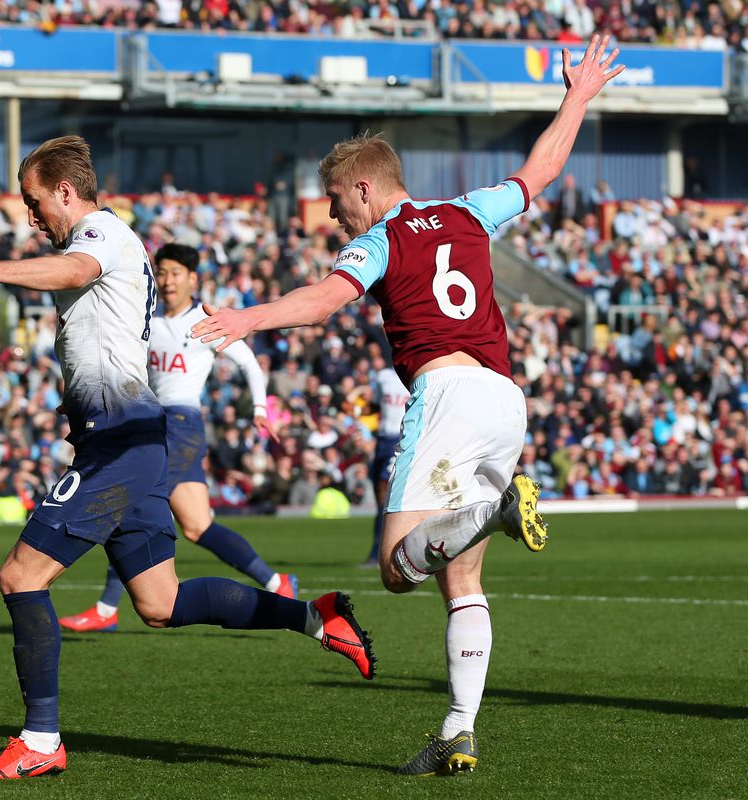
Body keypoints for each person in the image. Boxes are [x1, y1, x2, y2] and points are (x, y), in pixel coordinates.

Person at [193, 35, 623, 777]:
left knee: (397, 568)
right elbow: (539, 171)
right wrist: (578, 97)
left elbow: (325, 301)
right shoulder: (467, 212)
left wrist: (243, 320)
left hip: (448, 393)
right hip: (503, 400)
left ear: (364, 188)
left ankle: (491, 514)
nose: (334, 218)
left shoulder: (385, 237)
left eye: (334, 203)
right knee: (462, 578)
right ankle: (459, 730)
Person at [0, 135, 376, 781]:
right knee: (160, 602)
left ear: (64, 191)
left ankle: (40, 738)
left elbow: (74, 272)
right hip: (123, 439)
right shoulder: (90, 242)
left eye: (33, 202)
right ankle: (316, 616)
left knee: (20, 578)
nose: (31, 217)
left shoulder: (101, 233)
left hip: (120, 444)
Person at [57, 243, 297, 634]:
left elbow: (248, 362)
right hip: (149, 418)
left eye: (174, 273)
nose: (167, 281)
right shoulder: (145, 318)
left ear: (192, 278)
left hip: (181, 423)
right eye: (162, 272)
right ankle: (277, 583)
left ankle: (106, 608)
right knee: (198, 525)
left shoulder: (201, 319)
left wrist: (258, 408)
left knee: (130, 502)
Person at [362, 363, 409, 568]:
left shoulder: (416, 372)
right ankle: (379, 552)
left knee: (386, 495)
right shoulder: (383, 376)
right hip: (382, 439)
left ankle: (381, 554)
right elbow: (375, 405)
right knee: (379, 497)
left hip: (402, 438)